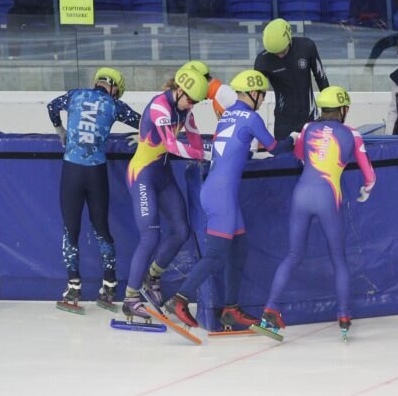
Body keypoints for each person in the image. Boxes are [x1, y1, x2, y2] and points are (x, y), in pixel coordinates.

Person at [163, 69, 297, 330]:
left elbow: (235, 152)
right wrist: (294, 138)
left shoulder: (227, 115)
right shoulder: (251, 117)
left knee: (239, 249)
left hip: (218, 191)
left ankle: (231, 309)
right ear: (254, 93)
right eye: (262, 95)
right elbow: (275, 148)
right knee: (216, 255)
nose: (263, 100)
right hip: (221, 195)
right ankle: (179, 299)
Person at [256, 86, 376, 340]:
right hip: (328, 197)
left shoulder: (308, 127)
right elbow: (370, 176)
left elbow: (299, 155)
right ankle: (343, 316)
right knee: (338, 258)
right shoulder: (352, 133)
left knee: (293, 254)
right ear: (343, 110)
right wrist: (366, 190)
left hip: (301, 194)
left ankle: (270, 310)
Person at [47, 67, 141, 312]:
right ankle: (109, 285)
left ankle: (73, 286)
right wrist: (142, 136)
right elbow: (147, 123)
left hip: (72, 171)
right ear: (114, 88)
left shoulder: (75, 95)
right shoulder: (114, 105)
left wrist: (60, 130)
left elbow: (51, 107)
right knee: (101, 229)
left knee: (71, 230)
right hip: (97, 173)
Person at [122, 68, 210, 321]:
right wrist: (203, 154)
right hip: (143, 176)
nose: (192, 105)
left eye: (196, 102)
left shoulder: (185, 107)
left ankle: (152, 276)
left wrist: (200, 154)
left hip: (163, 174)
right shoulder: (159, 106)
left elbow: (194, 138)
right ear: (179, 90)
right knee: (150, 236)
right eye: (190, 100)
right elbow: (172, 145)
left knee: (182, 230)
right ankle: (130, 298)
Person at [254, 18, 329, 140]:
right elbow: (256, 93)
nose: (280, 55)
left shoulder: (306, 47)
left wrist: (329, 111)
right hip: (284, 123)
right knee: (283, 153)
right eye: (275, 53)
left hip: (311, 118)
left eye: (283, 50)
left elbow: (321, 78)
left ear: (289, 39)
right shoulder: (263, 60)